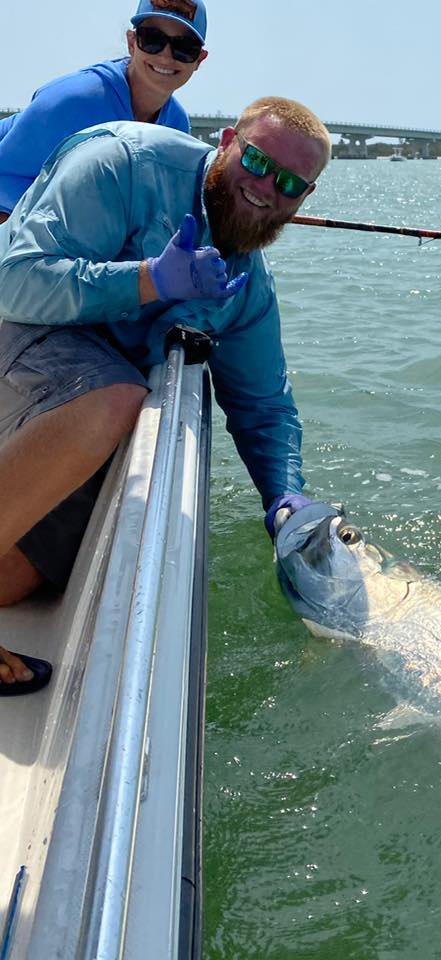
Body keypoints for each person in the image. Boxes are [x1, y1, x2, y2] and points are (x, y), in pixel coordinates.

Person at [0, 96, 331, 694]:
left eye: (288, 183)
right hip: (23, 339)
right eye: (256, 162)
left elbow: (265, 406)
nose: (265, 188)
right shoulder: (120, 165)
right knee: (117, 398)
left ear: (304, 200)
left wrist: (285, 494)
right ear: (226, 140)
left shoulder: (246, 286)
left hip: (71, 417)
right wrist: (149, 279)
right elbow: (15, 283)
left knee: (14, 583)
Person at [0, 0, 209, 225]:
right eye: (152, 39)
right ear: (132, 42)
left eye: (184, 48)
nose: (166, 56)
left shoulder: (176, 126)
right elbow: (6, 178)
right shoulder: (73, 100)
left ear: (199, 59)